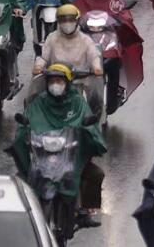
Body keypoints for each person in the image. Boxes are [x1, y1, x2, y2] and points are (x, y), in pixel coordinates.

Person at [11, 63, 108, 226]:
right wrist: (25, 129)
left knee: (95, 174)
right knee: (18, 181)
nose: (56, 85)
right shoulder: (39, 103)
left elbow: (89, 123)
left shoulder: (77, 103)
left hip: (70, 154)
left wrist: (88, 131)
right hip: (43, 156)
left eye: (60, 81)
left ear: (68, 83)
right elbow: (26, 122)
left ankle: (84, 214)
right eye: (52, 81)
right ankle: (23, 218)